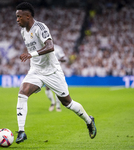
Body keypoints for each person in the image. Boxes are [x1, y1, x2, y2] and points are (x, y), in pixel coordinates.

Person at [15, 2, 97, 144]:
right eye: (16, 17)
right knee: (23, 93)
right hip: (35, 70)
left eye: (19, 17)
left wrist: (31, 54)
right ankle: (21, 132)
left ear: (28, 16)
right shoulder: (23, 31)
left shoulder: (40, 28)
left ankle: (89, 121)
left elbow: (50, 47)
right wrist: (32, 56)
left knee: (68, 103)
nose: (17, 19)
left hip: (52, 71)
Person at [45, 44, 67, 112]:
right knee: (47, 88)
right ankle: (52, 103)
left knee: (58, 89)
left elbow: (64, 59)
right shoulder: (44, 48)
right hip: (47, 70)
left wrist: (56, 60)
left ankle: (58, 106)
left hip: (57, 70)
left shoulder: (57, 48)